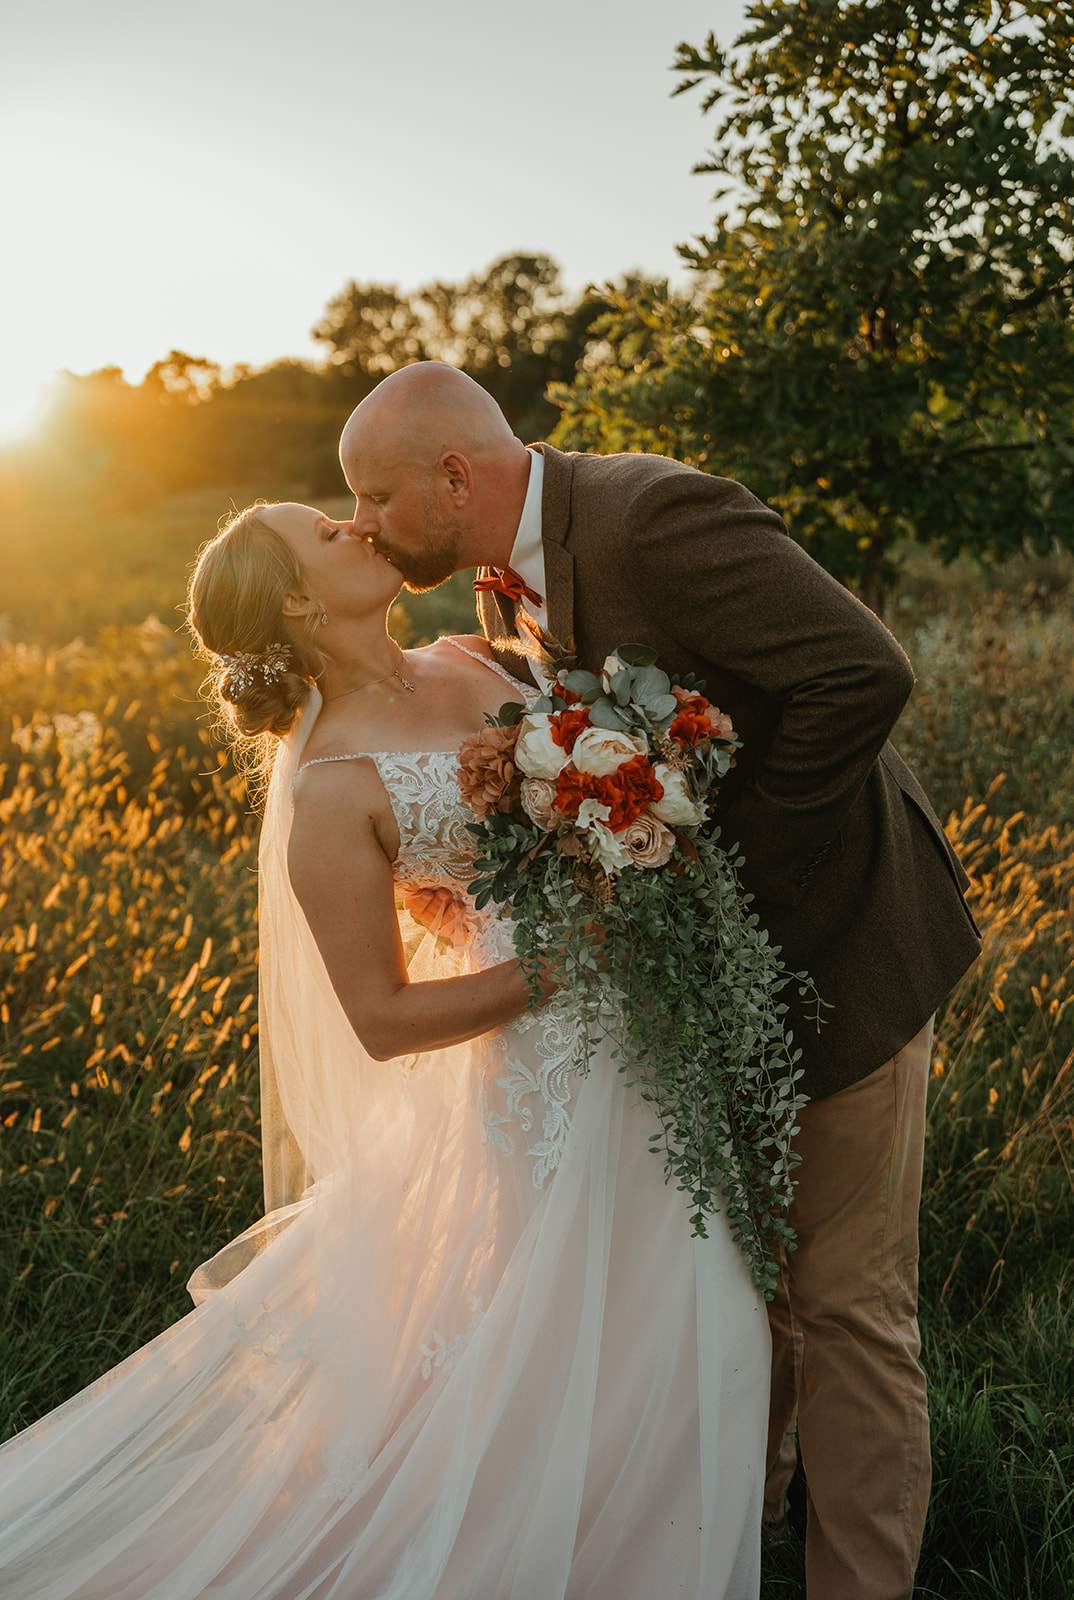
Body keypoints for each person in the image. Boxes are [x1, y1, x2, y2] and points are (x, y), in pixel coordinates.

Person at [0, 499, 771, 1599]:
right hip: (539, 1067)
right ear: (300, 601)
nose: (359, 529)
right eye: (327, 532)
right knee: (595, 1329)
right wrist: (558, 970)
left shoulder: (473, 648)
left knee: (706, 1312)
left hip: (656, 1022)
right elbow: (381, 1017)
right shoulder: (327, 787)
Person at [337, 362, 983, 1600]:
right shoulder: (498, 581)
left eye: (373, 495)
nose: (364, 521)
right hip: (709, 991)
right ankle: (751, 1525)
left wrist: (722, 872)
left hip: (842, 942)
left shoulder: (653, 515)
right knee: (764, 1279)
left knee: (847, 1305)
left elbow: (866, 674)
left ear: (456, 476)